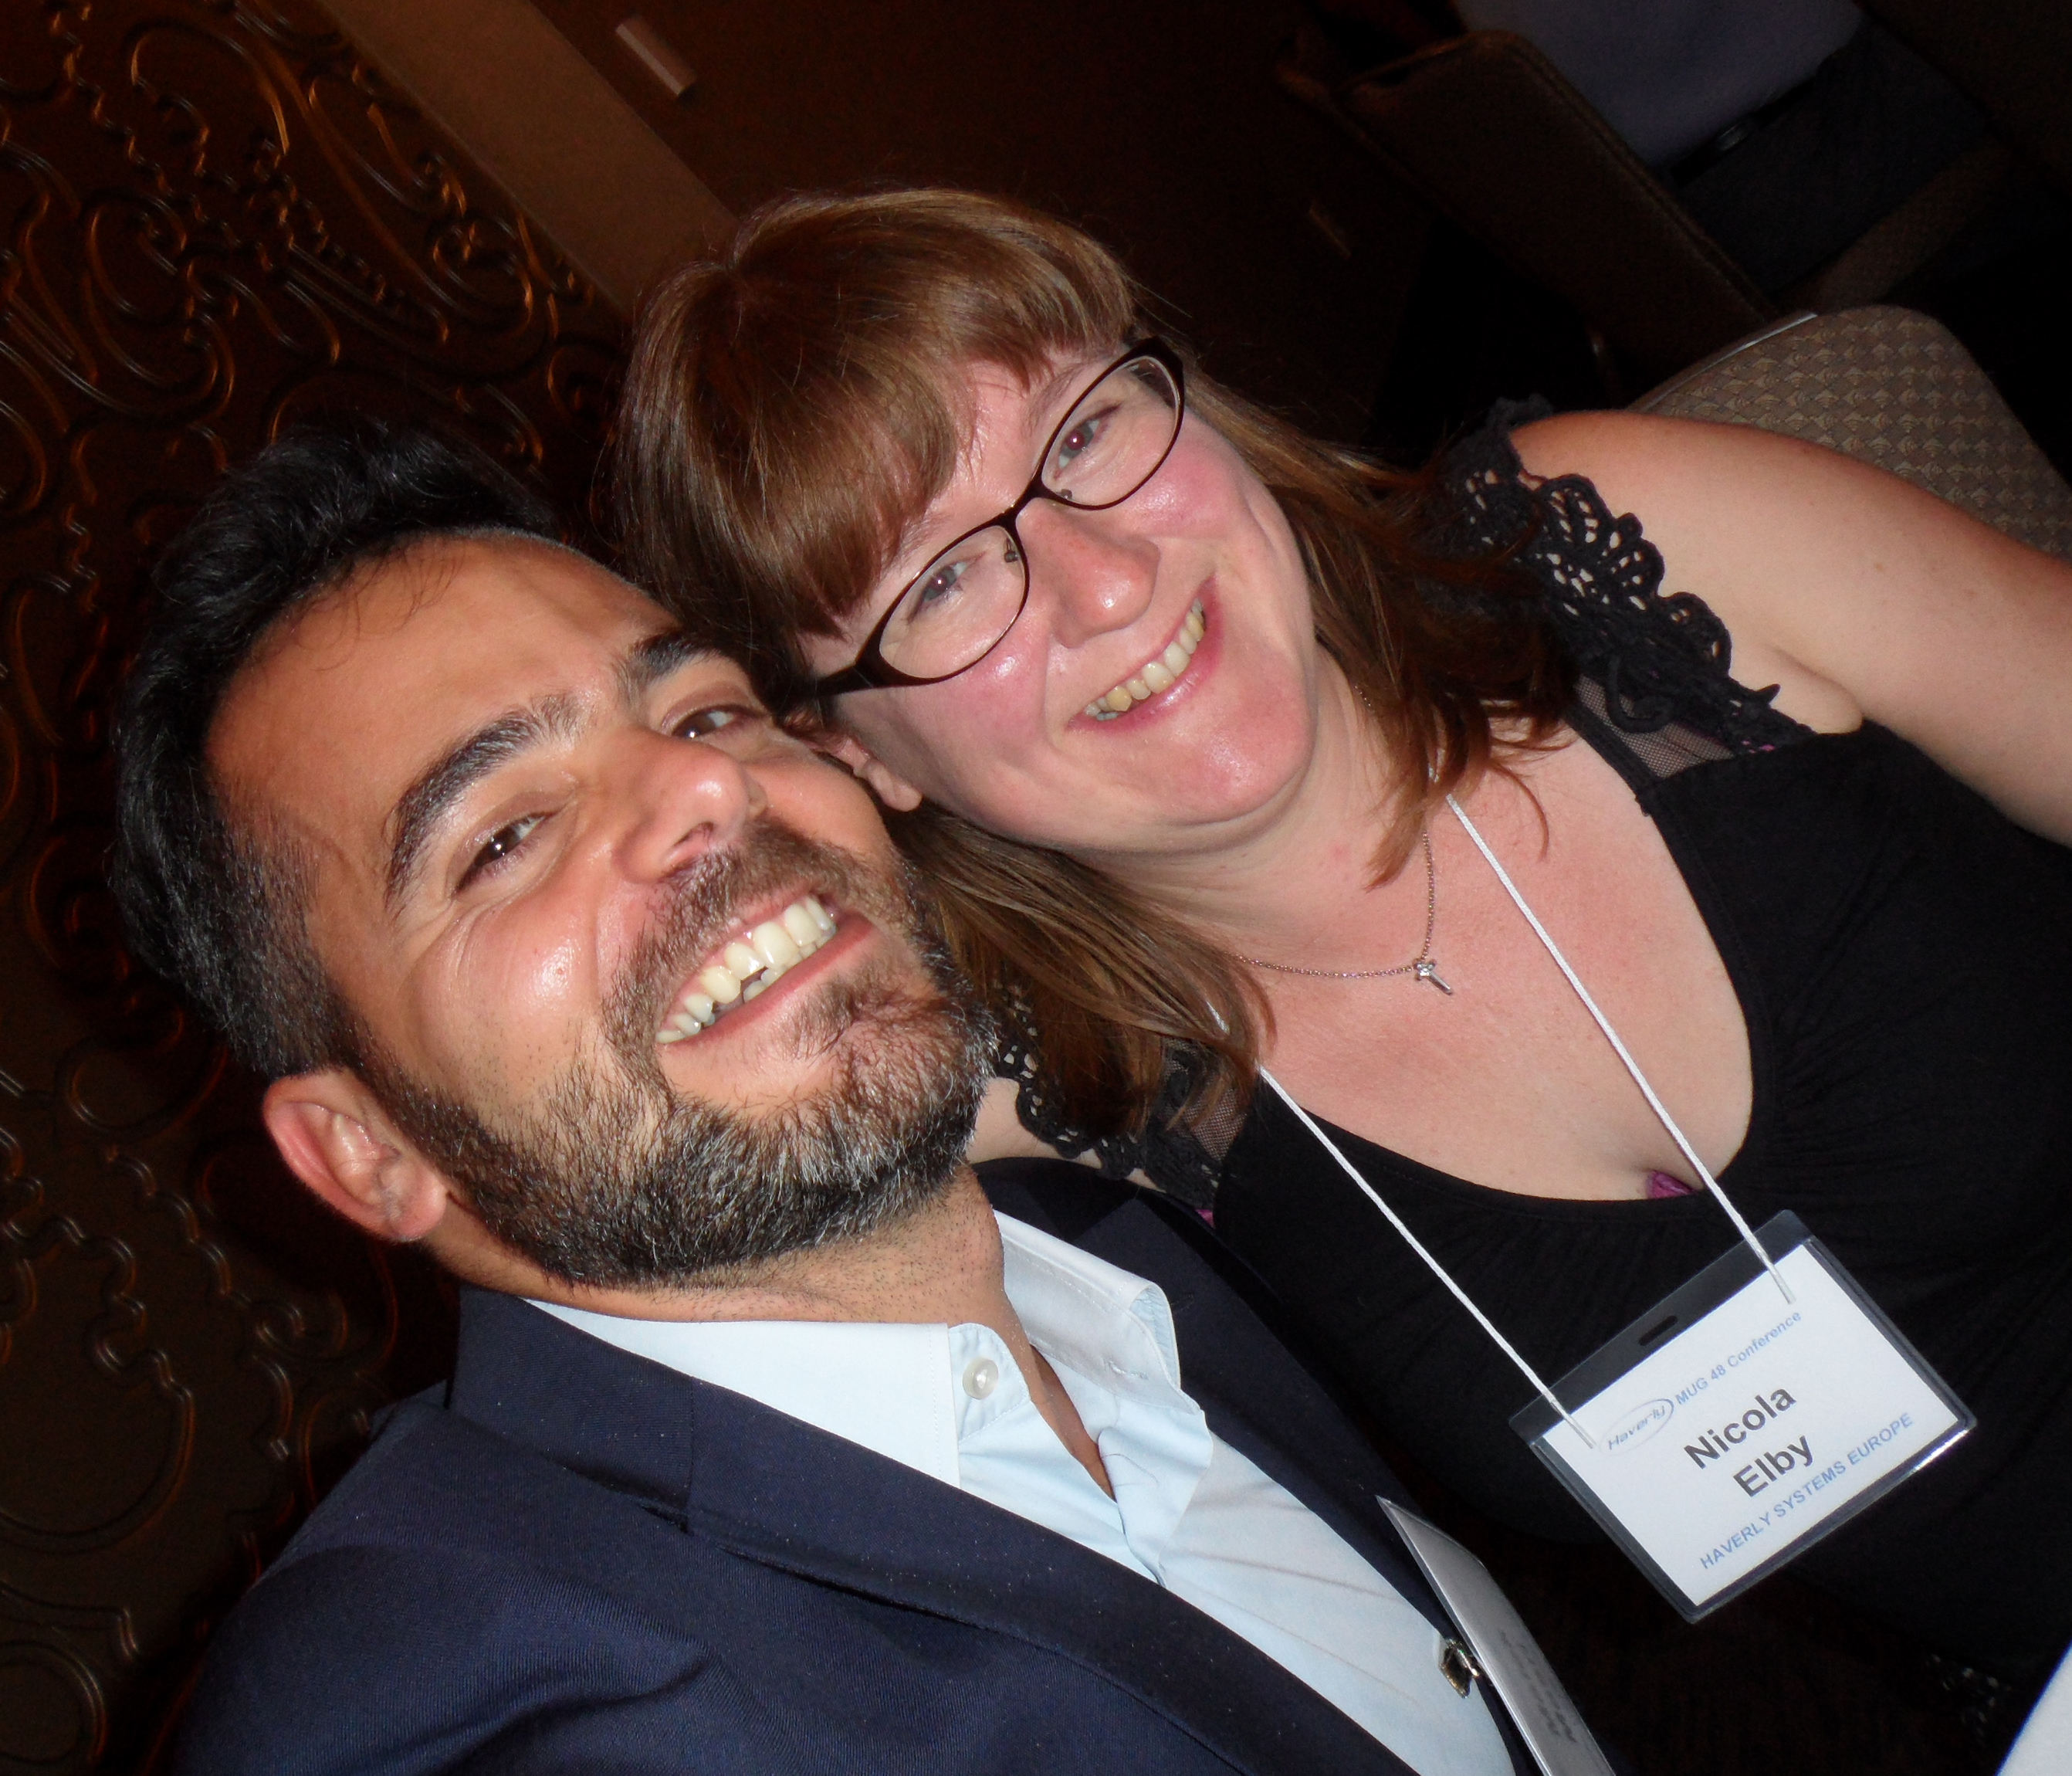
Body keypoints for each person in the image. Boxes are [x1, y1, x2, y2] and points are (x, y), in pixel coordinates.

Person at [609, 187, 2072, 1681]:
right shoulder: (1057, 1074)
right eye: (943, 583)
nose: (1110, 585)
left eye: (1084, 434)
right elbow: (588, 1206)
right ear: (858, 753)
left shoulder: (1626, 551)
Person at [114, 420, 1593, 1776]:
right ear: (369, 1155)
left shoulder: (1135, 1242)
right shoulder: (461, 1686)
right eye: (502, 840)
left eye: (704, 714)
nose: (705, 790)